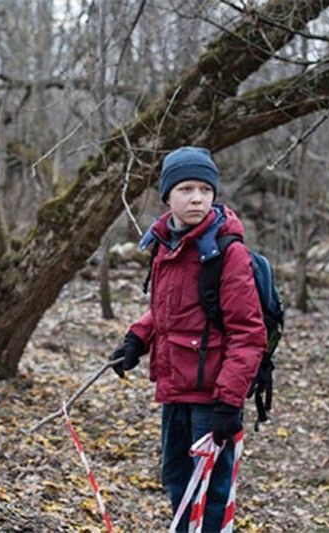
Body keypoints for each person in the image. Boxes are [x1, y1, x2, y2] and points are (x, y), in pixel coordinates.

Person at [111, 146, 267, 531]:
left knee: (211, 494)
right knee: (178, 481)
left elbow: (249, 334)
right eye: (185, 189)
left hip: (213, 399)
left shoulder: (228, 254)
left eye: (204, 189)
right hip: (175, 391)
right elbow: (170, 311)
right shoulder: (167, 244)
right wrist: (137, 338)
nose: (196, 197)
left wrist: (229, 402)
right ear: (167, 196)